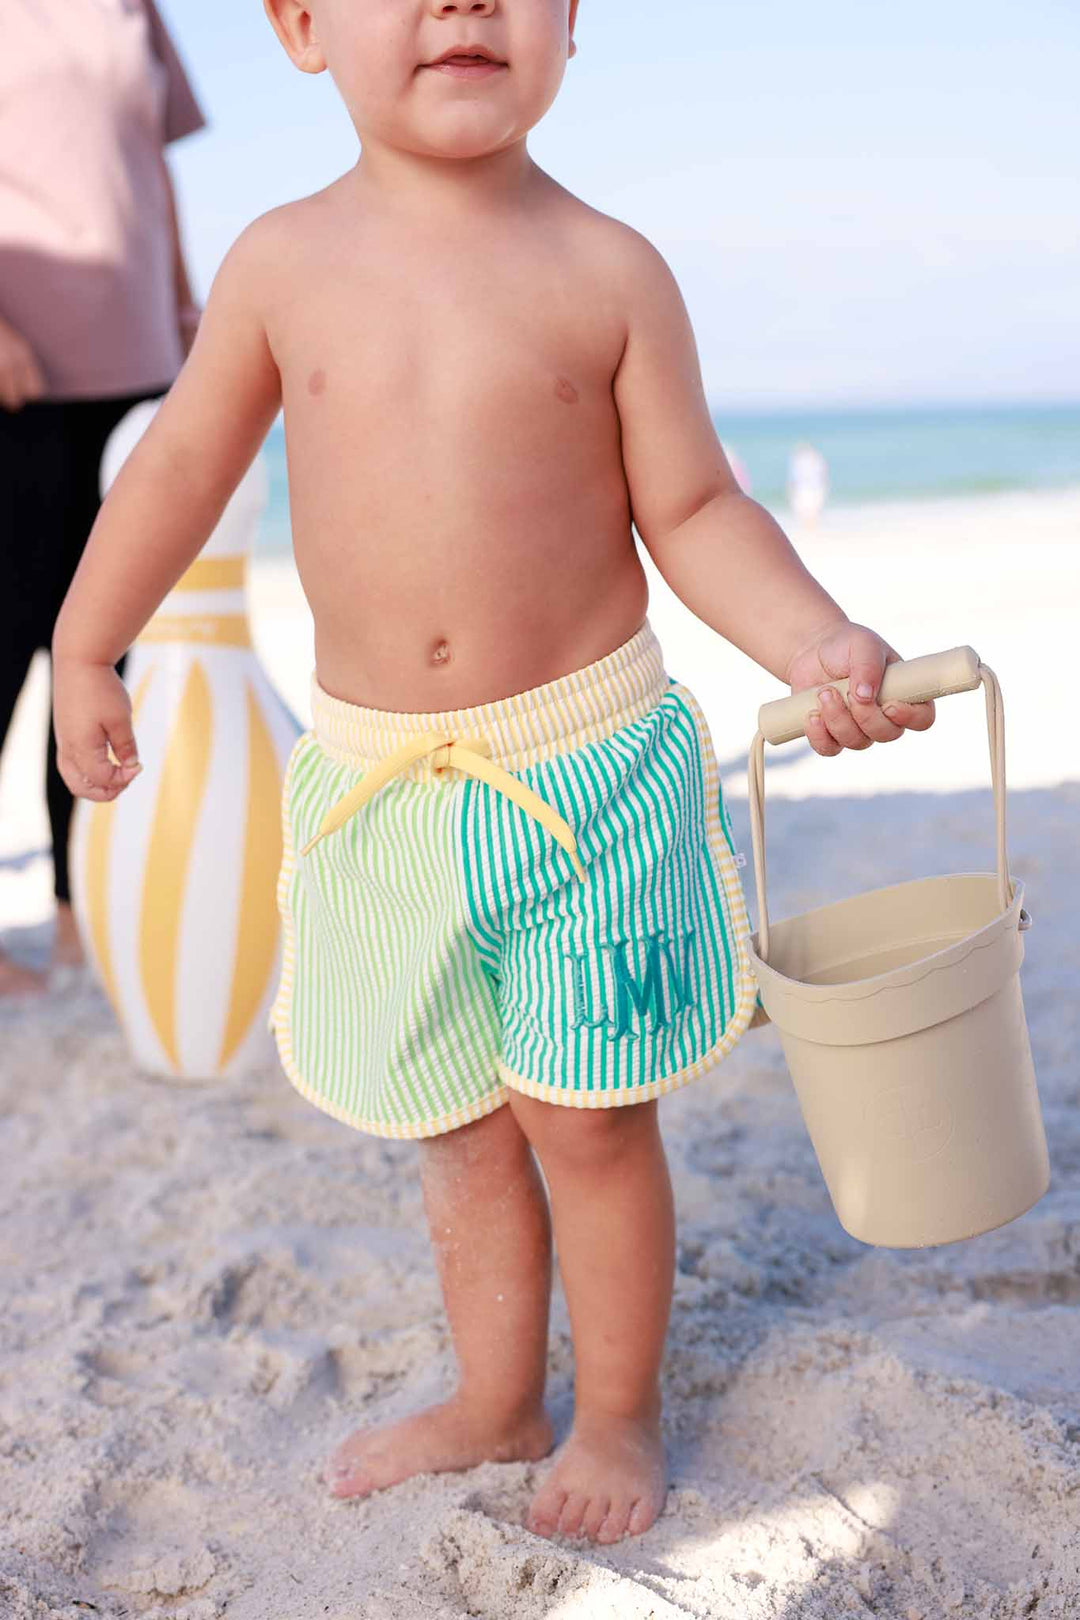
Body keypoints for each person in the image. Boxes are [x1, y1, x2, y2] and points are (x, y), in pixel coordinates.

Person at [50, 0, 936, 1546]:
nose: (463, 0)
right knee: (454, 1121)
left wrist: (818, 642)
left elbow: (696, 506)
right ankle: (497, 1394)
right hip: (382, 787)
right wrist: (84, 642)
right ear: (303, 27)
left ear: (570, 25)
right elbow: (183, 460)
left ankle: (617, 1409)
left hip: (581, 775)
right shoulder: (281, 264)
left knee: (586, 1116)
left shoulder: (608, 271)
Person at [0, 0, 206, 996]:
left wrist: (188, 305)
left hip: (140, 365)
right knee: (7, 645)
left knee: (104, 649)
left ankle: (79, 913)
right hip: (19, 376)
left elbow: (150, 166)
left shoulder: (137, 8)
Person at [787, 438, 830, 524]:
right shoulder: (813, 459)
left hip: (809, 486)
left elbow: (794, 477)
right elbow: (823, 473)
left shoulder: (803, 460)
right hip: (809, 486)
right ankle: (810, 524)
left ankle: (810, 524)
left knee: (809, 509)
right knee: (809, 509)